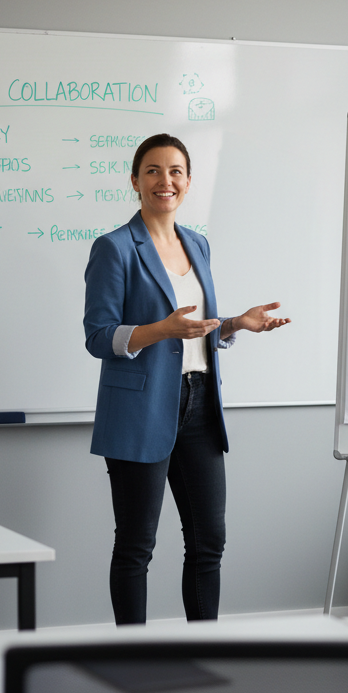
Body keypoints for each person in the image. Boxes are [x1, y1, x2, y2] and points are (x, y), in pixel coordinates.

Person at [83, 133, 290, 624]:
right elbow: (98, 337)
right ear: (135, 180)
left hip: (199, 403)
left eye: (175, 171)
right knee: (136, 545)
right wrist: (160, 329)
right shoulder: (114, 248)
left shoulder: (198, 244)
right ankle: (134, 659)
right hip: (140, 408)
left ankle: (203, 646)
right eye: (153, 170)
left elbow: (195, 335)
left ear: (189, 181)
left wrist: (237, 323)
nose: (165, 181)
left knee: (208, 541)